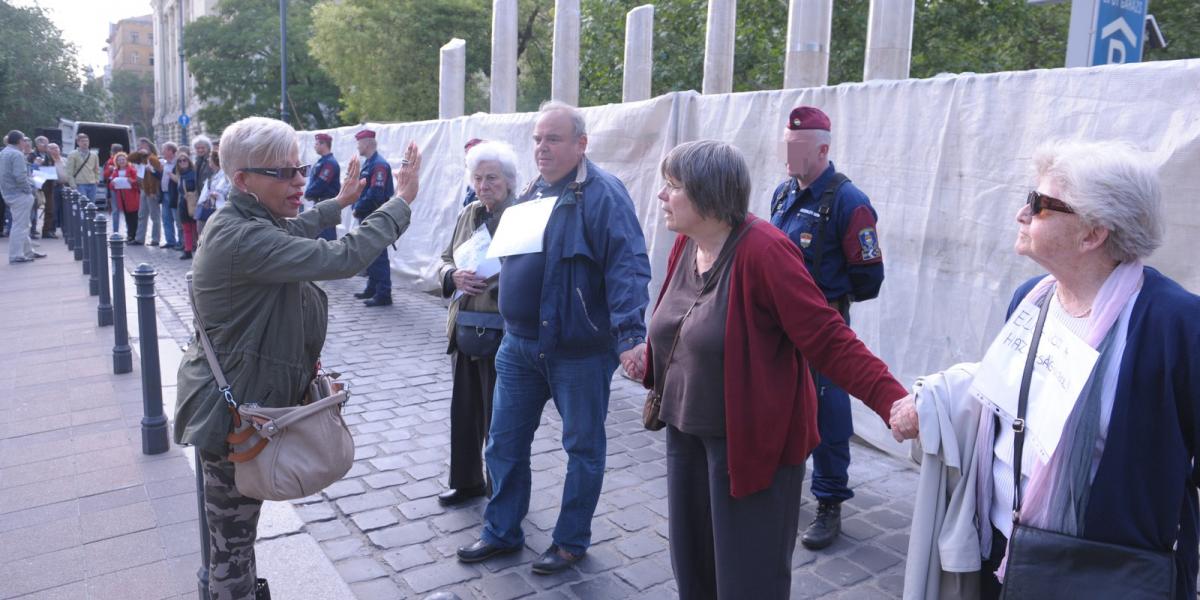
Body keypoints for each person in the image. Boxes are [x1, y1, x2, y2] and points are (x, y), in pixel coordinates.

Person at [890, 140, 1200, 599]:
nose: (1021, 212)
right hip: (1002, 555)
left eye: (1039, 205)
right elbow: (1009, 394)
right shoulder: (1032, 298)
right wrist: (933, 401)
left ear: (1091, 234)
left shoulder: (1176, 325)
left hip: (1101, 573)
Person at [635, 140, 907, 598]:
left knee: (748, 579)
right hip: (685, 432)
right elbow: (682, 315)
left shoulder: (766, 252)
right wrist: (654, 357)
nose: (662, 195)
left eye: (672, 186)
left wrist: (891, 399)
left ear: (707, 194)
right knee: (694, 568)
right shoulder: (686, 243)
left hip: (749, 444)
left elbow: (827, 336)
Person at [174, 116, 422, 600]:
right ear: (243, 180)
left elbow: (295, 227)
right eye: (284, 173)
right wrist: (401, 203)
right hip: (232, 415)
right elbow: (342, 258)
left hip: (246, 403)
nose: (298, 182)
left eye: (300, 169)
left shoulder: (246, 219)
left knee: (237, 534)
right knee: (232, 545)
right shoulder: (242, 237)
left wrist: (340, 202)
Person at [456, 101, 652, 575]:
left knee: (583, 449)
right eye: (538, 139)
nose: (542, 147)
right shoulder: (531, 191)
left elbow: (628, 266)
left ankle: (570, 541)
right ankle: (501, 531)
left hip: (579, 352)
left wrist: (629, 335)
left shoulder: (603, 193)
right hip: (518, 346)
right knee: (502, 444)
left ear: (581, 144)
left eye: (554, 139)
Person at [767, 106, 886, 550]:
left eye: (796, 146)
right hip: (778, 327)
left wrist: (828, 300)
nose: (787, 153)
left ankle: (830, 501)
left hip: (822, 326)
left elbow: (869, 278)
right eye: (785, 144)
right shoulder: (782, 194)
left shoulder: (848, 202)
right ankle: (779, 483)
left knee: (829, 416)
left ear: (822, 149)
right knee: (779, 405)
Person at [436, 141, 517, 506]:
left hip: (502, 329)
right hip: (464, 326)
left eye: (493, 178)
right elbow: (443, 258)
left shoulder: (521, 215)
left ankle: (500, 489)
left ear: (509, 181)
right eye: (479, 178)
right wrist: (453, 275)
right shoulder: (468, 212)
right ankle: (466, 481)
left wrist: (491, 280)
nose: (484, 185)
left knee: (499, 419)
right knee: (464, 411)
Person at [351, 129, 395, 307]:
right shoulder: (370, 163)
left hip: (374, 214)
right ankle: (372, 288)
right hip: (369, 215)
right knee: (370, 254)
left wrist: (359, 208)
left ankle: (384, 293)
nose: (357, 146)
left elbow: (375, 193)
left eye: (359, 143)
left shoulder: (379, 165)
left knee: (378, 255)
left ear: (368, 143)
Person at [1, 130, 44, 263]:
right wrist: (29, 190)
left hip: (9, 193)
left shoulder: (3, 153)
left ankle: (28, 251)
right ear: (20, 141)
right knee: (20, 225)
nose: (25, 142)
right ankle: (15, 255)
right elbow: (20, 176)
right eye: (24, 140)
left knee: (21, 223)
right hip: (19, 194)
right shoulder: (17, 154)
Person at [304, 133, 340, 241]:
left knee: (326, 238)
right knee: (319, 236)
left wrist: (308, 193)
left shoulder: (329, 163)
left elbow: (320, 184)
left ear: (324, 144)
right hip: (321, 204)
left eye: (317, 144)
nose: (315, 146)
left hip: (327, 205)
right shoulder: (323, 161)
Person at [128, 138, 164, 246]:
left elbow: (155, 178)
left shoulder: (153, 159)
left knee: (154, 215)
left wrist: (153, 191)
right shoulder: (141, 158)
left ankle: (155, 239)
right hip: (143, 189)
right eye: (139, 145)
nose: (140, 147)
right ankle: (139, 238)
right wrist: (139, 152)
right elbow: (129, 158)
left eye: (143, 146)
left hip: (151, 190)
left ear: (149, 147)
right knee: (142, 215)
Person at [105, 152, 140, 241]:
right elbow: (111, 185)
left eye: (123, 159)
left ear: (126, 160)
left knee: (134, 217)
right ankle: (130, 235)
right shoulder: (115, 171)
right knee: (127, 216)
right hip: (122, 197)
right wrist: (112, 183)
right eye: (119, 160)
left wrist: (131, 181)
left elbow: (137, 183)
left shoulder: (132, 170)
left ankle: (134, 235)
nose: (121, 161)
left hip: (132, 196)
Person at [171, 151, 198, 259]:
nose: (182, 162)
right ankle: (187, 250)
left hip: (193, 203)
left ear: (189, 161)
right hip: (183, 203)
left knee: (196, 228)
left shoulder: (194, 173)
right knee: (186, 228)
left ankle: (197, 249)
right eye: (180, 161)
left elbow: (198, 187)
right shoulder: (180, 174)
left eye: (184, 160)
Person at [65, 133, 101, 208]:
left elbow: (96, 169)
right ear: (78, 142)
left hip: (92, 183)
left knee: (92, 206)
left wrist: (97, 180)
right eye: (82, 141)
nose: (85, 143)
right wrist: (73, 185)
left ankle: (90, 220)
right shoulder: (73, 154)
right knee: (82, 206)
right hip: (80, 184)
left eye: (87, 141)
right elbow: (69, 172)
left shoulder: (94, 154)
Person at [196, 149, 231, 226]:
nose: (208, 161)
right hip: (212, 208)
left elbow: (222, 190)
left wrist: (213, 194)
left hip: (218, 210)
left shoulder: (224, 175)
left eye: (210, 159)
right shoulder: (215, 174)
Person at [31, 136, 56, 239]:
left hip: (48, 185)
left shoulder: (49, 155)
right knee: (33, 209)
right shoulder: (32, 155)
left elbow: (52, 167)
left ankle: (47, 231)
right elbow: (29, 170)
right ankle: (32, 230)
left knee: (50, 208)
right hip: (36, 186)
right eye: (44, 144)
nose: (46, 146)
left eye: (47, 144)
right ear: (37, 145)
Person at [159, 142, 180, 249]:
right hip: (164, 193)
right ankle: (170, 241)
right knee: (166, 218)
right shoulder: (163, 163)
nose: (162, 152)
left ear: (171, 151)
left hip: (174, 194)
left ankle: (181, 242)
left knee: (177, 218)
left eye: (164, 149)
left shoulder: (178, 163)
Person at [104, 143, 124, 232]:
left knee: (115, 210)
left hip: (114, 188)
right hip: (123, 188)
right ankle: (128, 233)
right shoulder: (124, 160)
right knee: (123, 210)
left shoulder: (110, 161)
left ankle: (116, 231)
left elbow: (105, 176)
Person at [460, 138, 485, 206]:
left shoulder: (486, 182)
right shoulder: (472, 181)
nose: (466, 159)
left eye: (470, 154)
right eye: (466, 155)